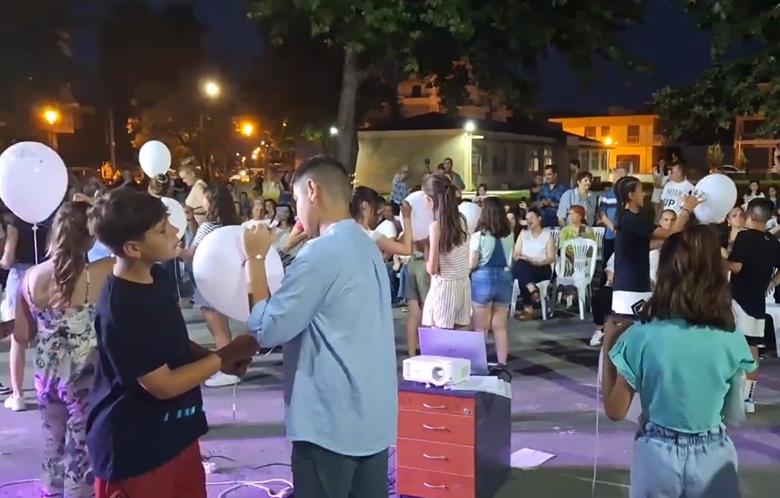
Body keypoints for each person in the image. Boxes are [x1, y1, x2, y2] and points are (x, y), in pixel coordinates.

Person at [86, 188, 257, 498]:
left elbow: (170, 340)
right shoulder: (122, 305)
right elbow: (161, 384)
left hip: (177, 435)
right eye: (163, 230)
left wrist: (214, 359)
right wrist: (223, 357)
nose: (177, 231)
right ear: (133, 248)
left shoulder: (157, 278)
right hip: (136, 450)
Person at [244, 155, 397, 498]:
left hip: (330, 424)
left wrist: (255, 259)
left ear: (312, 190)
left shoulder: (321, 253)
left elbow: (268, 330)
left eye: (297, 199)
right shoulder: (365, 243)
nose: (297, 213)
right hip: (370, 417)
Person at [602, 225, 756, 498]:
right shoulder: (732, 338)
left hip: (656, 455)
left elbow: (615, 410)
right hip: (713, 454)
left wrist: (608, 349)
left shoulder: (641, 336)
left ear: (664, 275)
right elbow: (732, 408)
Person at [13, 202, 113, 498]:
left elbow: (22, 335)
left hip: (46, 373)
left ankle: (51, 492)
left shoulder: (31, 276)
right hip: (84, 375)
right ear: (91, 237)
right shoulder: (102, 272)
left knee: (52, 442)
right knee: (82, 450)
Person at [610, 175, 698, 319]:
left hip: (635, 283)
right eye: (641, 190)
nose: (644, 194)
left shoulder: (629, 219)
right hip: (630, 286)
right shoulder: (630, 219)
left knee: (630, 323)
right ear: (631, 195)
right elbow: (670, 234)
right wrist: (686, 209)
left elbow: (646, 244)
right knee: (627, 324)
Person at [180, 185, 243, 387]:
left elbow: (191, 254)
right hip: (227, 280)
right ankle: (231, 366)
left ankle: (227, 370)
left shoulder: (208, 226)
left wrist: (174, 250)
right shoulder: (234, 225)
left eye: (205, 198)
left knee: (217, 329)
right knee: (221, 327)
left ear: (212, 202)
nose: (202, 202)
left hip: (209, 280)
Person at [727, 198, 780, 413]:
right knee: (753, 349)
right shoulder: (773, 241)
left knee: (731, 347)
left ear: (750, 215)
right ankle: (747, 398)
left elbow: (736, 267)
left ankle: (731, 396)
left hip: (738, 301)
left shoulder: (745, 236)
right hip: (758, 303)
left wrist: (718, 259)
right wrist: (772, 282)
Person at [1, 215, 50, 411]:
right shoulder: (50, 215)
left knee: (18, 339)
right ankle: (47, 389)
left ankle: (18, 395)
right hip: (47, 274)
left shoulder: (15, 219)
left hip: (21, 275)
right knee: (48, 334)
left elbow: (8, 258)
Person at [422, 174, 471, 329]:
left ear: (430, 200)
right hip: (463, 284)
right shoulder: (462, 220)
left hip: (444, 288)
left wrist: (425, 247)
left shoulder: (436, 226)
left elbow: (432, 269)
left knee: (440, 340)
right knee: (458, 338)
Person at [470, 197, 514, 364]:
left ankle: (479, 364)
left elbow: (473, 263)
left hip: (483, 278)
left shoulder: (479, 236)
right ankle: (502, 363)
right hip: (504, 277)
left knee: (481, 327)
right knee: (500, 327)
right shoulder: (509, 235)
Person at [511, 208, 556, 319]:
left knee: (521, 273)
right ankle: (531, 288)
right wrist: (525, 258)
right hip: (525, 265)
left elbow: (551, 258)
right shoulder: (523, 234)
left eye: (532, 218)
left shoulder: (547, 236)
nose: (529, 221)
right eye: (527, 219)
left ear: (539, 218)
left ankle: (528, 308)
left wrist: (538, 262)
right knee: (520, 266)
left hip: (542, 267)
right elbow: (516, 253)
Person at [351, 186, 413, 256]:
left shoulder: (344, 234)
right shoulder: (373, 236)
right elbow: (407, 250)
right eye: (375, 208)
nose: (378, 213)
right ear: (365, 206)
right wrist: (406, 217)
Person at [598, 165, 627, 264]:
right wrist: (613, 228)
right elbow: (602, 214)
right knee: (608, 263)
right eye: (618, 176)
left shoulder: (630, 196)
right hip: (610, 235)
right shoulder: (607, 196)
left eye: (623, 177)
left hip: (626, 235)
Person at [179, 158, 209, 224]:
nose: (183, 181)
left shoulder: (199, 187)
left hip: (200, 223)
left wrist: (192, 212)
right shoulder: (198, 186)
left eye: (184, 178)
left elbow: (208, 207)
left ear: (193, 174)